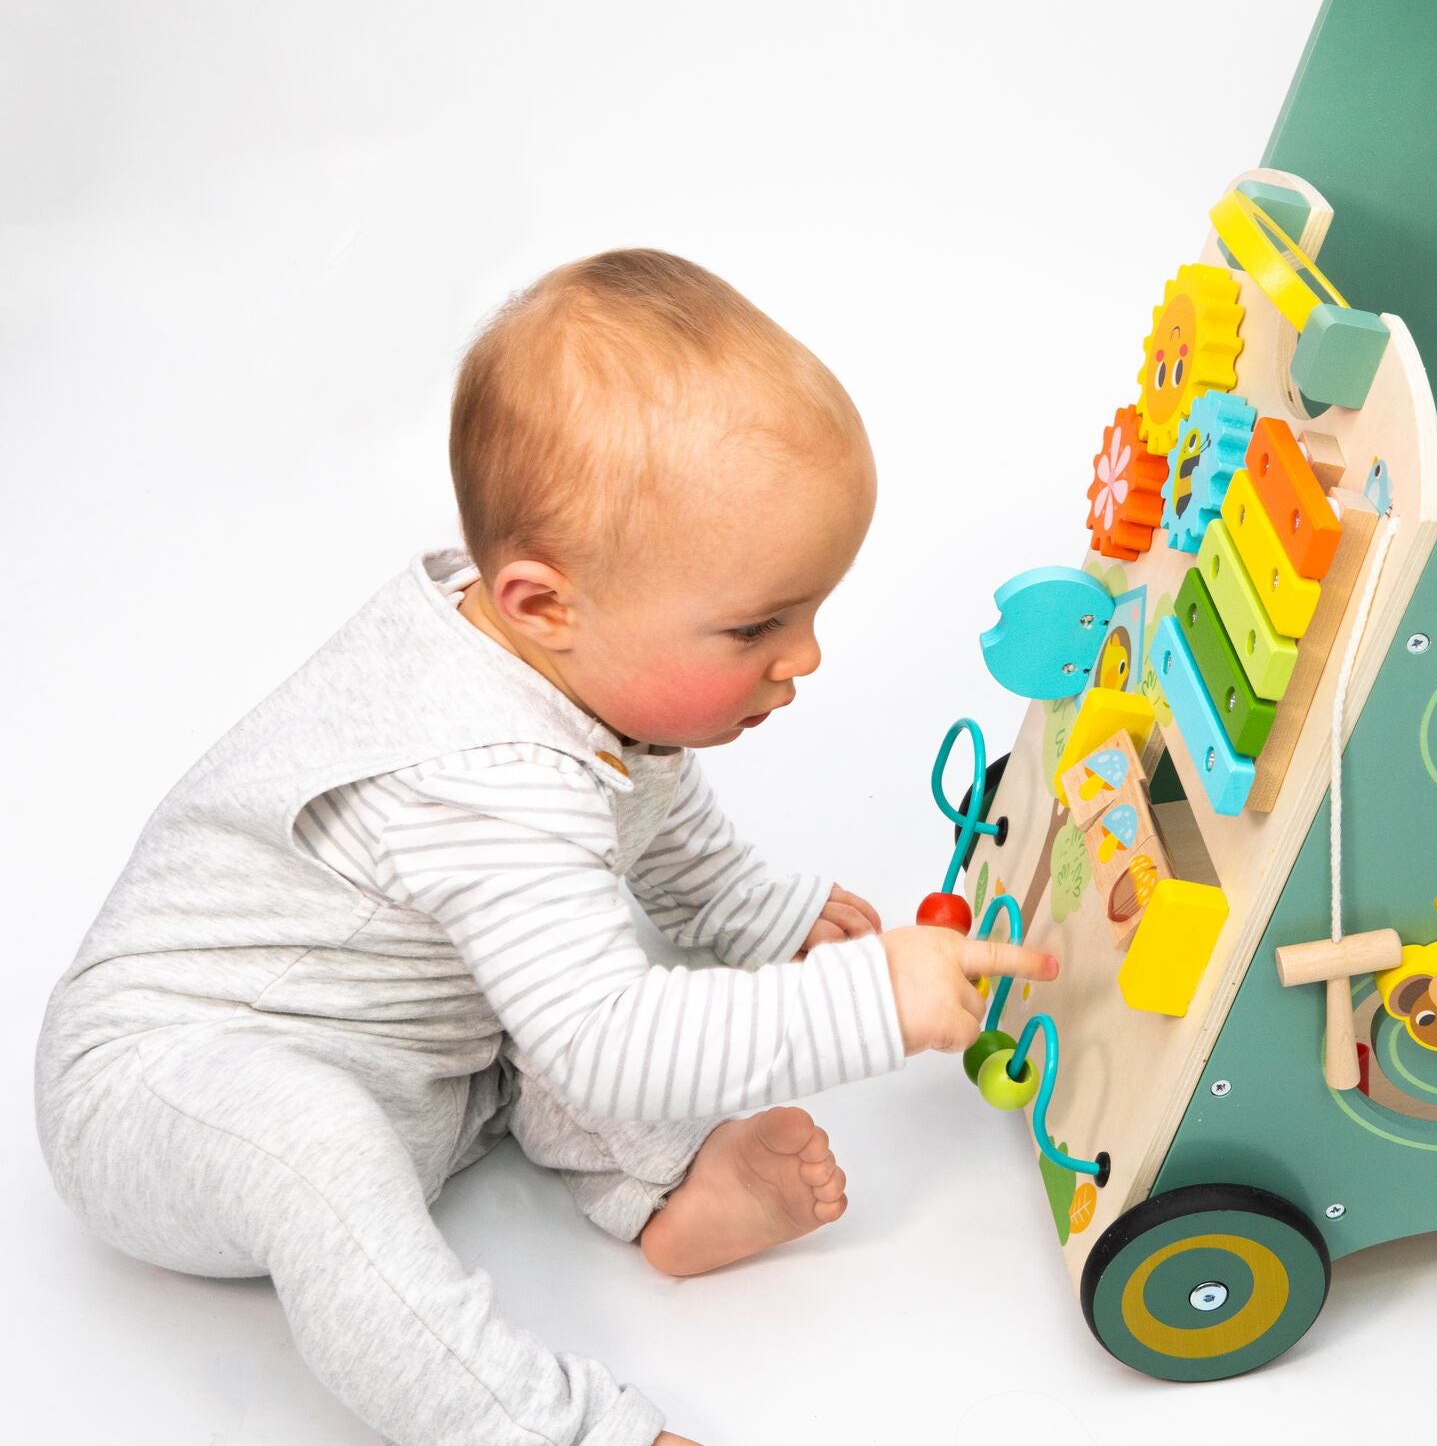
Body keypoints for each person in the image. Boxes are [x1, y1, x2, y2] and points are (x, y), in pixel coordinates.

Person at [33, 249, 1052, 1446]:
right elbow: (610, 1043)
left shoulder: (560, 661)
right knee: (345, 1144)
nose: (806, 657)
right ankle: (551, 1429)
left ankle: (663, 1187)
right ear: (541, 604)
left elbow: (643, 793)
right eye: (755, 627)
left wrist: (745, 908)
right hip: (167, 1081)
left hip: (424, 1057)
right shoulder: (482, 776)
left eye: (810, 610)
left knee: (565, 992)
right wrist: (869, 1000)